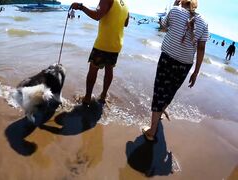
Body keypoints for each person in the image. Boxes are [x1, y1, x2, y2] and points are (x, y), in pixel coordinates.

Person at [142, 0, 209, 141]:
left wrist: (174, 4)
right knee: (171, 91)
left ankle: (151, 131)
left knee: (159, 90)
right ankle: (159, 114)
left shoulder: (175, 10)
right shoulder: (203, 22)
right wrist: (196, 72)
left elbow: (163, 27)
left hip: (168, 58)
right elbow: (201, 48)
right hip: (185, 64)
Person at [70, 0, 129, 105]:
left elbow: (97, 15)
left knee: (93, 68)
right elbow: (126, 23)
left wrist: (81, 7)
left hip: (104, 43)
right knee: (109, 69)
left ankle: (87, 98)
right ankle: (103, 96)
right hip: (116, 44)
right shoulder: (125, 5)